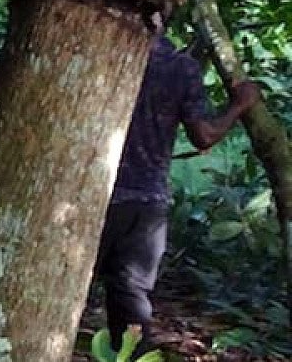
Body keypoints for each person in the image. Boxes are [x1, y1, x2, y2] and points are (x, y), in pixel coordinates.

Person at [94, 19, 260, 351]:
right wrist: (240, 105)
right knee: (130, 291)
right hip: (145, 199)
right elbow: (204, 136)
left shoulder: (101, 54)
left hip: (93, 192)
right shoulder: (179, 67)